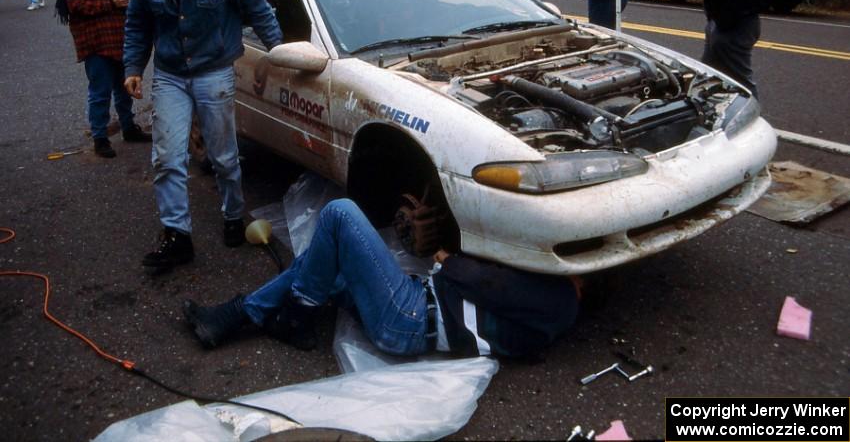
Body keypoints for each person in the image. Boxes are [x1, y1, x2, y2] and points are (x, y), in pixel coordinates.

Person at [183, 199, 580, 358]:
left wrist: (445, 256)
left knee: (340, 214)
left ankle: (298, 313)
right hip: (414, 309)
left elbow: (484, 282)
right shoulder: (553, 304)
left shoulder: (560, 298)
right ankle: (239, 315)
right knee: (321, 257)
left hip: (408, 319)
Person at [123, 0, 283, 271]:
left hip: (214, 72)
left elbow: (259, 11)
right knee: (167, 158)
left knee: (223, 155)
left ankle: (232, 214)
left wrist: (279, 55)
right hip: (170, 75)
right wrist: (133, 66)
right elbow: (137, 26)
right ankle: (177, 236)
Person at [58, 0, 152, 159]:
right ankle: (100, 137)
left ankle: (128, 127)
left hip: (120, 37)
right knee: (100, 92)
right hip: (96, 41)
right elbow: (74, 6)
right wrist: (108, 3)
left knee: (124, 87)